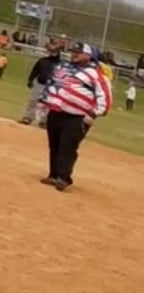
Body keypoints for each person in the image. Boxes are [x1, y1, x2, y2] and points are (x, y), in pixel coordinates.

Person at [39, 42, 112, 192]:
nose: (74, 54)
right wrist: (45, 103)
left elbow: (105, 96)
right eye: (73, 52)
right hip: (56, 112)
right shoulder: (64, 68)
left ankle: (64, 178)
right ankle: (54, 174)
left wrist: (94, 113)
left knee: (68, 146)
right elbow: (52, 85)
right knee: (55, 145)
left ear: (89, 55)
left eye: (78, 52)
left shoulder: (95, 73)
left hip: (77, 117)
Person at [20, 42, 64, 126]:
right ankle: (28, 117)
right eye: (51, 51)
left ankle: (44, 122)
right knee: (33, 101)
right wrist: (30, 80)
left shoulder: (61, 64)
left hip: (52, 87)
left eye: (54, 51)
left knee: (48, 104)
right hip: (40, 84)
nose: (52, 53)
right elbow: (35, 71)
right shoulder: (43, 61)